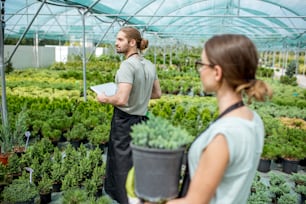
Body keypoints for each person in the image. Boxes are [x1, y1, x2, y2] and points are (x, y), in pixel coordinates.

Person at [167, 34, 272, 204]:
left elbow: (194, 202)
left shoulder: (224, 135)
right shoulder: (253, 119)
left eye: (201, 64)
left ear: (217, 72)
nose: (200, 70)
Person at [97, 26, 162, 204]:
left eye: (120, 40)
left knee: (122, 162)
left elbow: (122, 99)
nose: (116, 43)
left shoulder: (127, 65)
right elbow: (157, 94)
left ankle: (125, 199)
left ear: (132, 43)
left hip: (124, 121)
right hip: (141, 119)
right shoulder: (149, 65)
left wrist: (105, 98)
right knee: (137, 160)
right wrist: (139, 95)